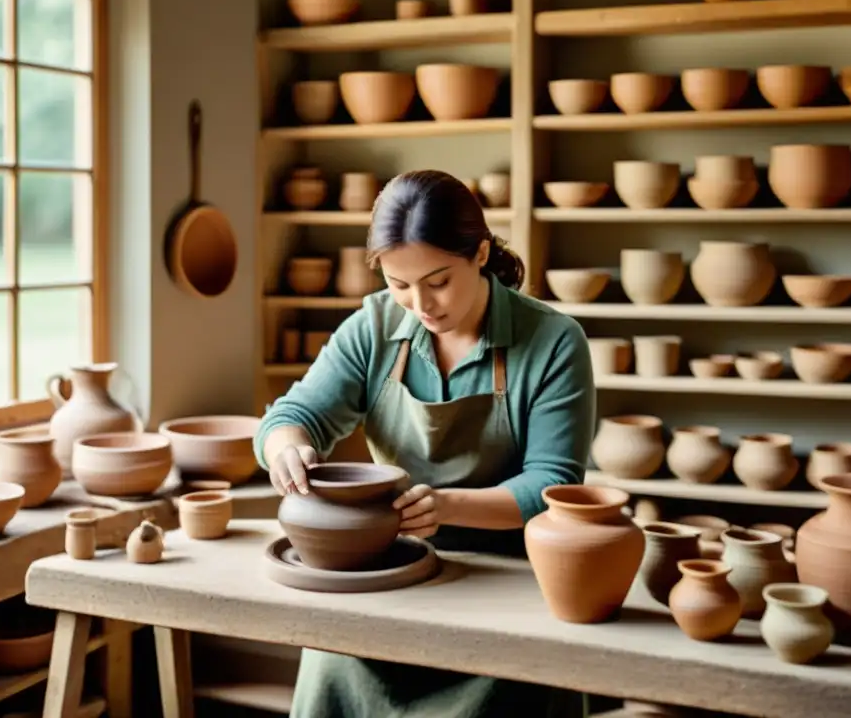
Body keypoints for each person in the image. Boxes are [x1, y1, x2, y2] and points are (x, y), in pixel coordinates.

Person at [254, 169, 596, 718]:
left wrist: (446, 505)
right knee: (333, 658)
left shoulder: (553, 341)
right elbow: (293, 416)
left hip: (507, 580)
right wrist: (286, 448)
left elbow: (553, 483)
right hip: (389, 572)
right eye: (398, 284)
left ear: (480, 253)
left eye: (438, 281)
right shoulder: (373, 327)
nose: (421, 305)